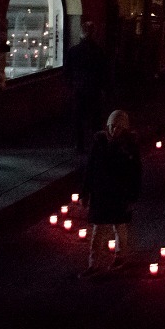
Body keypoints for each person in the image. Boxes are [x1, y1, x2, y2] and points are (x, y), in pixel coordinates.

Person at [82, 110, 141, 275]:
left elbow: (136, 173)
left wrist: (132, 196)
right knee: (98, 230)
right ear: (108, 125)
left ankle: (121, 256)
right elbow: (90, 168)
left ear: (125, 129)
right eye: (112, 126)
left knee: (119, 227)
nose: (115, 130)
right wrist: (85, 192)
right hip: (101, 194)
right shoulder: (99, 143)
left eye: (119, 128)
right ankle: (93, 264)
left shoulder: (129, 147)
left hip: (119, 195)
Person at [63, 21, 106, 151]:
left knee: (78, 117)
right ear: (94, 34)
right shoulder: (99, 52)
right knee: (96, 118)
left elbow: (67, 72)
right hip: (95, 89)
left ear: (81, 34)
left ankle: (79, 143)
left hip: (79, 89)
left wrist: (72, 84)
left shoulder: (74, 51)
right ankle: (97, 144)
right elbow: (104, 72)